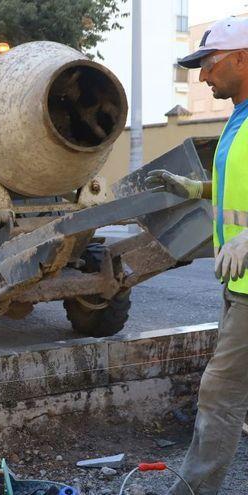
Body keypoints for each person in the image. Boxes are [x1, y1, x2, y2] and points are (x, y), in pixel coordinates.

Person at [144, 17, 248, 495]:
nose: (203, 78)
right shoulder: (238, 117)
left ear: (241, 58)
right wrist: (199, 187)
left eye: (208, 64)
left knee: (219, 396)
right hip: (238, 283)